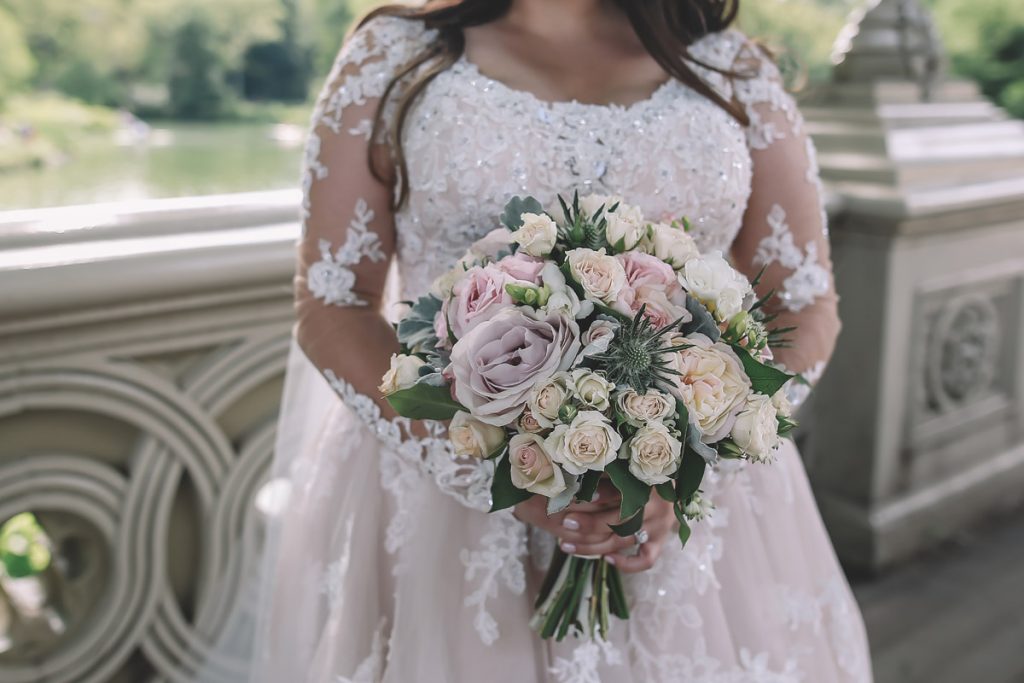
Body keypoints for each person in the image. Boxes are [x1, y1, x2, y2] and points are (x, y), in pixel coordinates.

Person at [256, 1, 874, 680]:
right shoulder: (394, 57)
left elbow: (805, 300)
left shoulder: (731, 68)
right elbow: (332, 302)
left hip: (693, 518)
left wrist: (692, 468)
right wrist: (493, 474)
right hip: (447, 502)